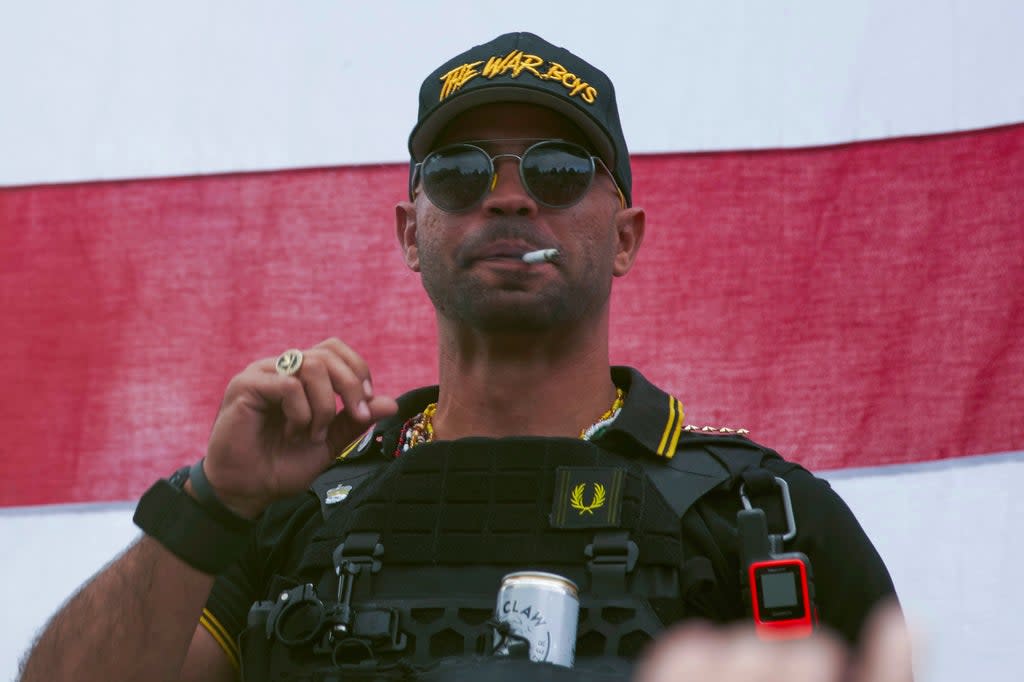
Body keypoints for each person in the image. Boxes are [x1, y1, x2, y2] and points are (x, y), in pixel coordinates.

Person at [19, 32, 901, 682]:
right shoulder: (289, 515)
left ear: (625, 237)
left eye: (558, 171)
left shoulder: (764, 517)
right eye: (459, 173)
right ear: (412, 231)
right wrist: (215, 501)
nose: (509, 197)